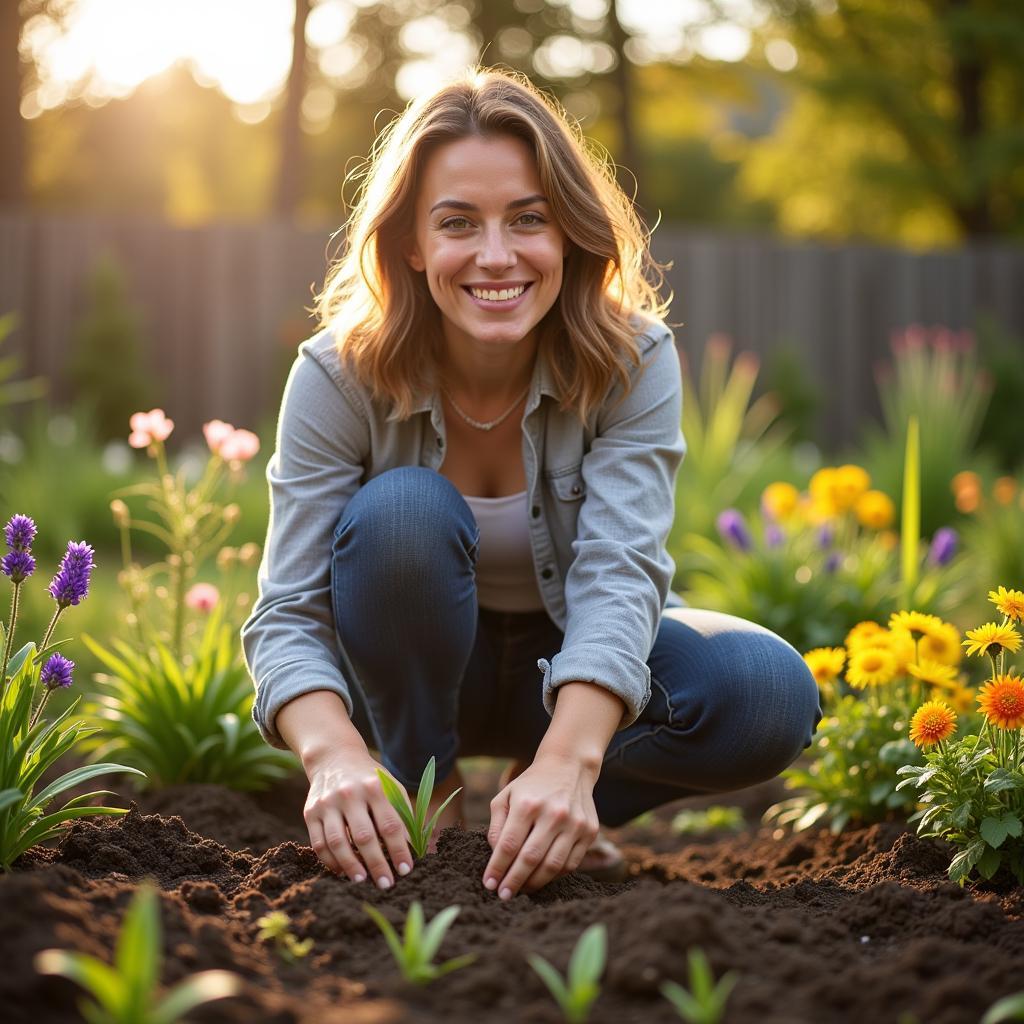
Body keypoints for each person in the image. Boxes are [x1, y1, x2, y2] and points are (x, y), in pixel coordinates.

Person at [242, 66, 821, 903]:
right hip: (402, 690)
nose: (496, 255)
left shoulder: (633, 358)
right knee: (403, 512)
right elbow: (286, 611)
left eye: (528, 219)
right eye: (457, 223)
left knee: (768, 694)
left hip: (573, 677)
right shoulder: (339, 374)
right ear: (411, 242)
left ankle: (542, 805)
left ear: (569, 234)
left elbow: (623, 572)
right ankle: (419, 797)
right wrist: (334, 758)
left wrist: (568, 764)